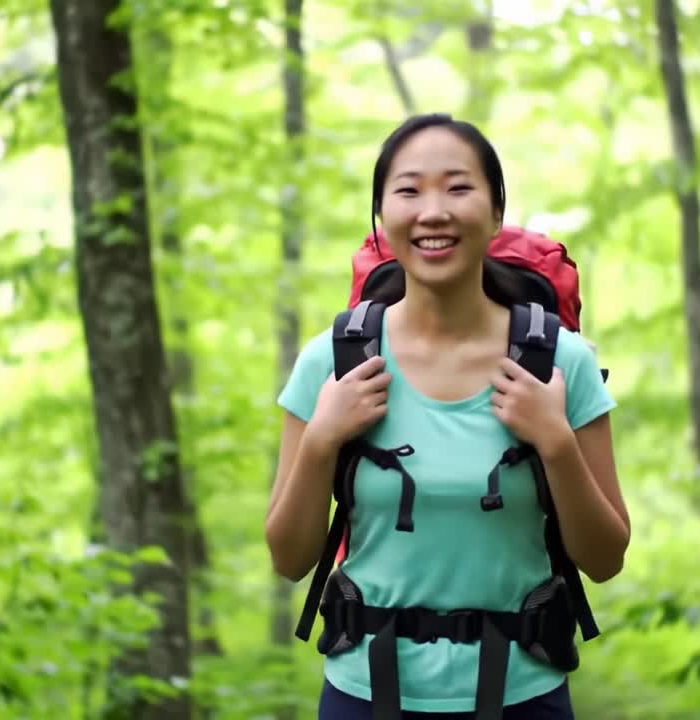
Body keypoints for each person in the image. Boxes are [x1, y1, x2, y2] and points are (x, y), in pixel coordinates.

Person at [265, 113, 630, 719]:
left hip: (524, 696)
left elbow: (605, 558)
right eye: (408, 190)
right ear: (382, 217)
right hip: (364, 696)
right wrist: (321, 439)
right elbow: (288, 558)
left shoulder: (557, 364)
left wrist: (555, 441)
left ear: (494, 213)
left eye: (458, 188)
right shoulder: (331, 363)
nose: (433, 211)